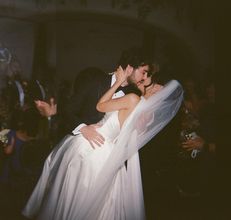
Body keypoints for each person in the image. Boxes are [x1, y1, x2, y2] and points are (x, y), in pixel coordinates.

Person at [22, 65, 183, 220]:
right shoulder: (149, 115)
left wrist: (118, 82)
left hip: (95, 146)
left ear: (157, 88)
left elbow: (100, 106)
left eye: (148, 77)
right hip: (111, 153)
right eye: (144, 73)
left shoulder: (133, 99)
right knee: (97, 203)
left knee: (76, 194)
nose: (144, 78)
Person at [35, 47, 150, 145]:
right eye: (143, 72)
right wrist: (83, 128)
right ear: (130, 69)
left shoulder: (132, 95)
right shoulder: (95, 81)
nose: (144, 77)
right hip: (82, 145)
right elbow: (69, 111)